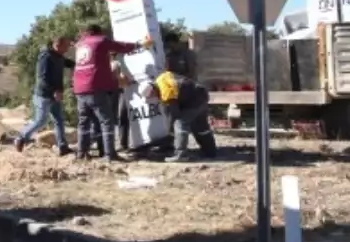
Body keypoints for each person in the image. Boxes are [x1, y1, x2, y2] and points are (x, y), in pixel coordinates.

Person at [72, 25, 149, 162]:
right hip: (95, 87)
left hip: (79, 88)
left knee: (83, 122)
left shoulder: (80, 44)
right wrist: (139, 44)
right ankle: (110, 155)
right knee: (107, 121)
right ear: (98, 32)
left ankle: (81, 153)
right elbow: (121, 46)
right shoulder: (100, 40)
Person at [14, 35, 77, 155]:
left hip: (55, 95)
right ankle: (21, 137)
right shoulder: (46, 57)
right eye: (66, 46)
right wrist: (55, 91)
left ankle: (62, 146)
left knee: (59, 120)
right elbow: (42, 78)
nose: (67, 49)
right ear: (57, 45)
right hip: (43, 95)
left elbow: (70, 63)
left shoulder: (59, 56)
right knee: (40, 121)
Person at [147, 69, 218, 162]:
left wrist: (170, 134)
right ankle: (210, 151)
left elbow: (174, 114)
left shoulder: (166, 92)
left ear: (153, 91)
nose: (155, 98)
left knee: (180, 124)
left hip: (195, 100)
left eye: (152, 96)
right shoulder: (161, 79)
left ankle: (181, 154)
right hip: (200, 93)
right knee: (201, 126)